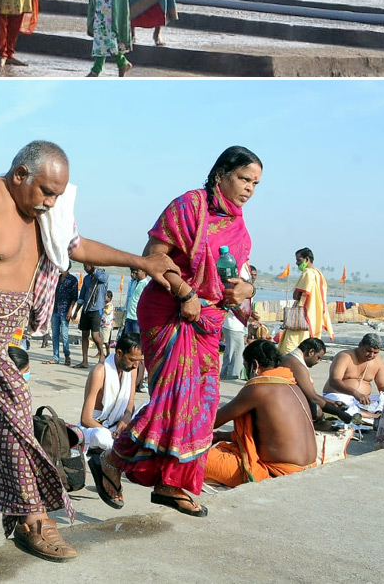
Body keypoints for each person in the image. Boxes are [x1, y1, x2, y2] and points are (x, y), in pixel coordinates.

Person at [0, 140, 177, 561]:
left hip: (3, 330)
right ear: (20, 174)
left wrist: (141, 262)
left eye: (58, 194)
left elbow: (76, 248)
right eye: (45, 191)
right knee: (16, 405)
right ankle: (32, 518)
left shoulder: (46, 212)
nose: (51, 201)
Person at [93, 146, 260, 518]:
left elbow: (244, 276)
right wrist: (185, 291)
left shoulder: (238, 225)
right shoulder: (189, 207)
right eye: (244, 178)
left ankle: (172, 482)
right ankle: (111, 460)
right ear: (221, 174)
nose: (249, 188)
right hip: (170, 310)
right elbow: (153, 255)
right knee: (173, 397)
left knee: (200, 404)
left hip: (208, 321)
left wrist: (246, 290)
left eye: (255, 183)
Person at [203, 340, 317, 488]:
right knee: (224, 447)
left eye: (245, 366)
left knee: (189, 458)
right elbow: (267, 435)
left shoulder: (259, 388)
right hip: (309, 466)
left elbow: (211, 422)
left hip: (277, 473)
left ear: (255, 365)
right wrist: (219, 436)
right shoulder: (292, 384)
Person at [80, 332, 143, 453]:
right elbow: (86, 419)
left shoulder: (132, 370)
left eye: (139, 361)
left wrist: (125, 420)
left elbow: (130, 406)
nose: (136, 365)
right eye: (132, 360)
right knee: (102, 437)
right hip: (96, 427)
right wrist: (110, 432)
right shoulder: (100, 372)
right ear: (119, 353)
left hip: (117, 426)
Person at [280, 338, 355, 423]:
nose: (318, 362)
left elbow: (312, 394)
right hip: (283, 404)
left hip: (285, 399)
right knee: (316, 410)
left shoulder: (291, 358)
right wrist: (339, 413)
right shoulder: (297, 365)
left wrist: (332, 402)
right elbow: (313, 398)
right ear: (311, 352)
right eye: (318, 357)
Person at [277, 247, 333, 357]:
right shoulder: (319, 274)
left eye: (299, 260)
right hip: (313, 317)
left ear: (307, 259)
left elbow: (298, 295)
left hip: (302, 316)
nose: (297, 263)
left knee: (290, 347)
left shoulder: (307, 273)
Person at [322, 334, 384, 418]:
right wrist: (355, 393)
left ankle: (367, 415)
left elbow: (383, 386)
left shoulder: (378, 362)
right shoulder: (345, 356)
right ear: (360, 345)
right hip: (339, 396)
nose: (371, 355)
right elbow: (334, 381)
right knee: (342, 406)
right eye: (368, 351)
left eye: (375, 353)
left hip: (364, 401)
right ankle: (373, 416)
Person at [71, 264, 110, 366]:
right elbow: (82, 296)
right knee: (84, 335)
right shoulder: (87, 278)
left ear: (92, 265)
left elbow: (101, 277)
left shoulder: (103, 275)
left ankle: (102, 354)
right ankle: (84, 361)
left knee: (95, 335)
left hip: (97, 309)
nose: (84, 268)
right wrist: (76, 311)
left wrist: (95, 268)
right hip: (86, 309)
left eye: (86, 266)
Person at [45, 266, 78, 366]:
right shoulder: (57, 278)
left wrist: (70, 311)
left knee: (64, 335)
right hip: (55, 310)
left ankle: (67, 355)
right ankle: (56, 357)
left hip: (65, 310)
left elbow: (74, 297)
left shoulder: (73, 280)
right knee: (55, 335)